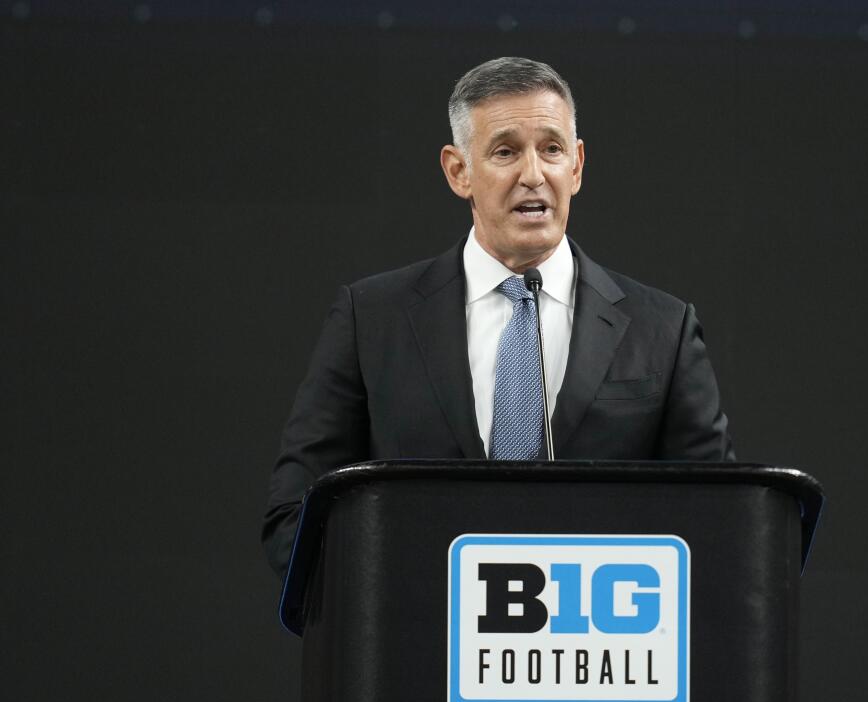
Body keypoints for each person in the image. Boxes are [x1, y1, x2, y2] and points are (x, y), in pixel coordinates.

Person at [262, 57, 734, 578]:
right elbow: (294, 519)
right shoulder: (371, 319)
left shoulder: (662, 329)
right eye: (506, 151)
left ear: (576, 166)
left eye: (551, 150)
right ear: (458, 171)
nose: (533, 175)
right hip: (419, 645)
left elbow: (718, 524)